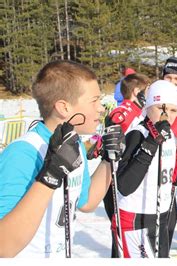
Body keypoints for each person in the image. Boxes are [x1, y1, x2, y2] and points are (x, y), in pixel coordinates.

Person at [0, 60, 124, 257]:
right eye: (94, 101)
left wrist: (109, 159)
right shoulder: (23, 153)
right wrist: (49, 176)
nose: (101, 108)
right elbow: (3, 246)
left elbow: (87, 202)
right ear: (64, 108)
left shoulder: (73, 145)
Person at [112, 80, 177, 258]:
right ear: (149, 106)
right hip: (136, 217)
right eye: (160, 108)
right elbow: (124, 186)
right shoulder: (137, 134)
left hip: (161, 216)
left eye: (173, 110)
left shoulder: (169, 136)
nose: (166, 115)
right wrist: (151, 144)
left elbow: (176, 179)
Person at [97, 72, 149, 258]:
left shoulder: (138, 111)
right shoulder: (124, 111)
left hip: (128, 176)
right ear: (136, 91)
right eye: (145, 90)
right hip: (117, 178)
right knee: (119, 232)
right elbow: (111, 134)